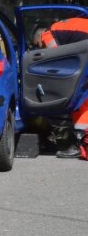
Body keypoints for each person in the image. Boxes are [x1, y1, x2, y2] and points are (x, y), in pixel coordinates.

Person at [37, 17, 88, 159]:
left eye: (38, 45)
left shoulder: (47, 34)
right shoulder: (62, 27)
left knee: (81, 103)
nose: (40, 46)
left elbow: (57, 57)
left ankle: (81, 144)